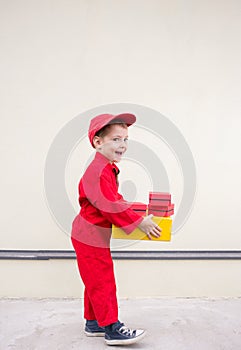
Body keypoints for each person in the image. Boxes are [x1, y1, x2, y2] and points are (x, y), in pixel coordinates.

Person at [71, 113, 161, 346]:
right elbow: (109, 205)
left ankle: (93, 323)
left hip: (91, 233)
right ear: (98, 142)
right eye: (116, 140)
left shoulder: (106, 167)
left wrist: (139, 210)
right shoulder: (98, 170)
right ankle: (112, 328)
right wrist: (140, 221)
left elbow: (114, 199)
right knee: (103, 281)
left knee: (95, 278)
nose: (122, 145)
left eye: (125, 139)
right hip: (89, 235)